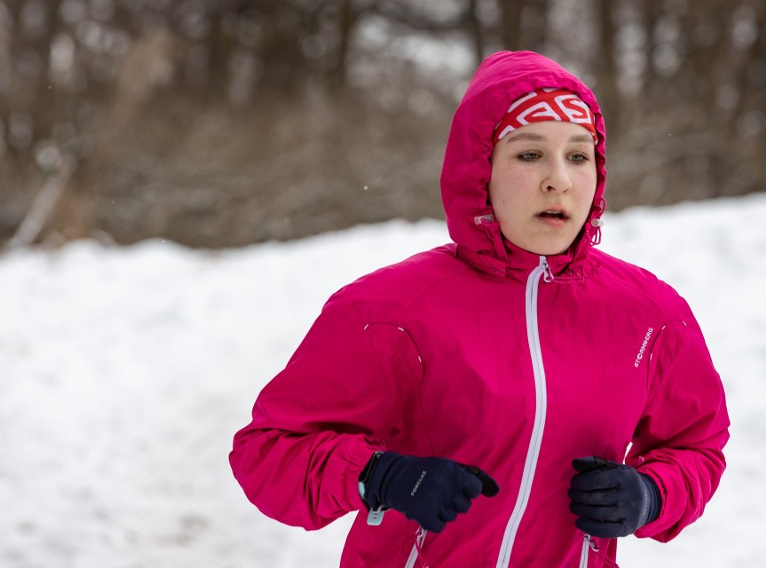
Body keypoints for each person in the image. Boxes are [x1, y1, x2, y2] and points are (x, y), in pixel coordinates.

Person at [229, 50, 730, 567]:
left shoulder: (649, 314)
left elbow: (697, 445)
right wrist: (378, 475)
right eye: (529, 155)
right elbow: (268, 453)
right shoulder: (389, 309)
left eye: (578, 156)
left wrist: (651, 494)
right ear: (479, 168)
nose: (558, 179)